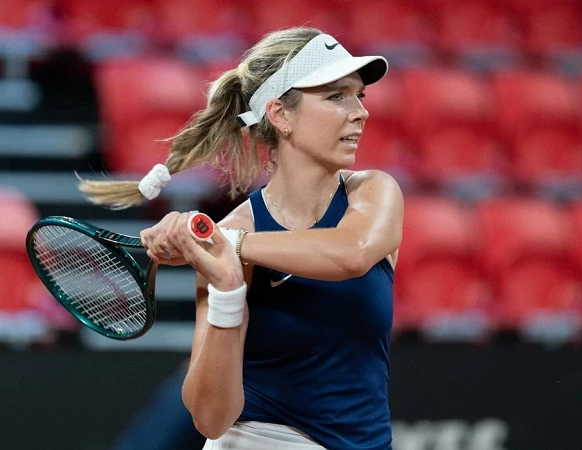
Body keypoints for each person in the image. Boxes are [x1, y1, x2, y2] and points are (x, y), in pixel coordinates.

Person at [79, 27, 404, 450]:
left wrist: (226, 242)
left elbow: (352, 253)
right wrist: (228, 290)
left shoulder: (374, 192)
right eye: (336, 96)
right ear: (280, 114)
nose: (360, 112)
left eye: (359, 95)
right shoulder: (235, 232)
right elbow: (211, 418)